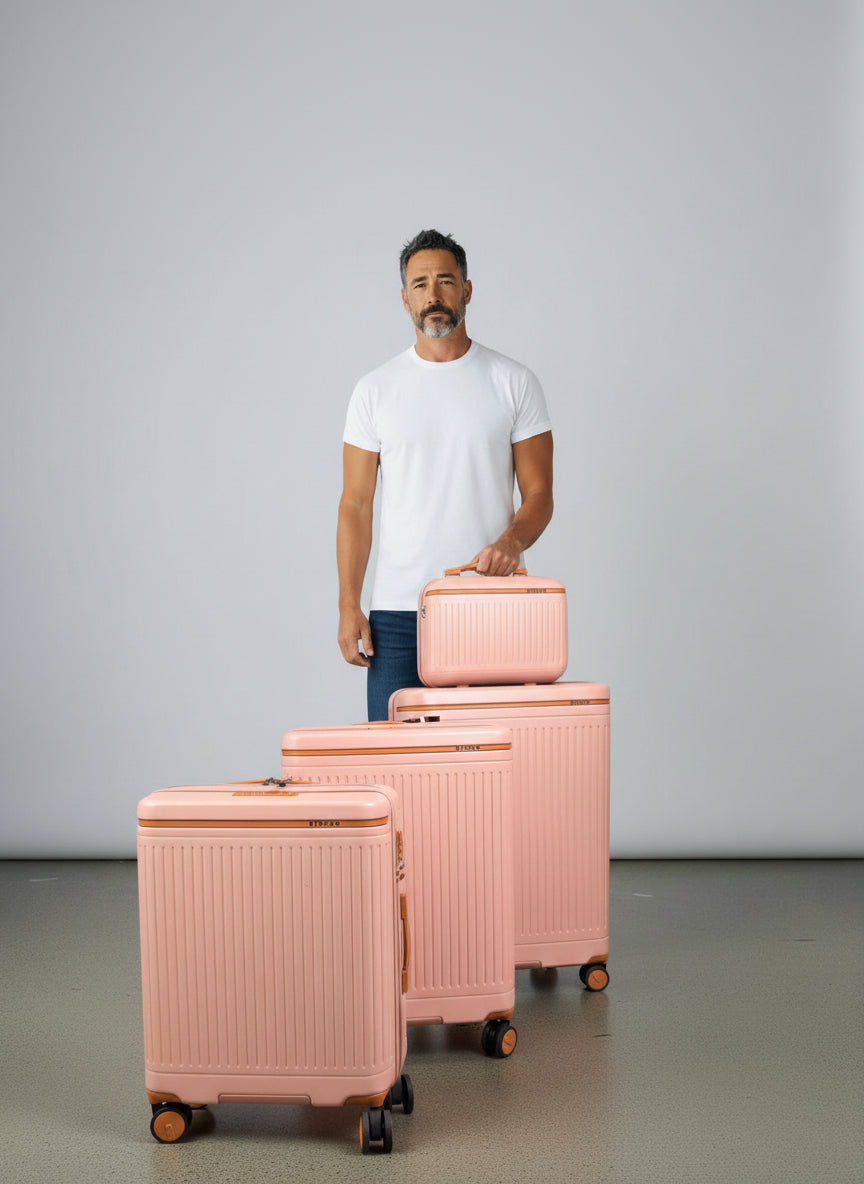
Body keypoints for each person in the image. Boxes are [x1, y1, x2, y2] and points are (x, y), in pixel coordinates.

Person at [337, 229, 554, 720]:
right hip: (396, 618)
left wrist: (512, 543)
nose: (433, 296)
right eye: (419, 285)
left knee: (487, 770)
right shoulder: (374, 390)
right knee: (399, 773)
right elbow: (355, 503)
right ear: (404, 298)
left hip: (485, 606)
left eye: (445, 282)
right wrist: (349, 604)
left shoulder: (513, 382)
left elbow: (540, 494)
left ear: (467, 290)